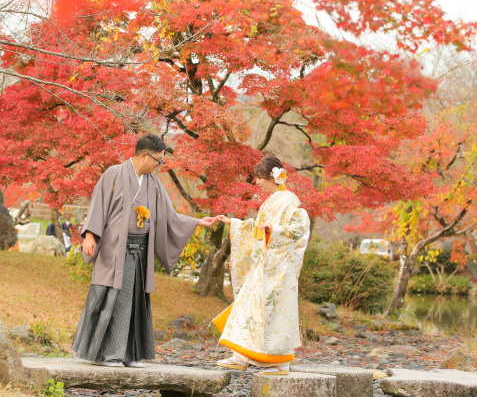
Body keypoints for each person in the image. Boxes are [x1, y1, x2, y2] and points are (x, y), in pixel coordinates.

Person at [72, 134, 217, 368]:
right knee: (112, 299)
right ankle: (107, 354)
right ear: (143, 155)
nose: (160, 165)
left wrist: (199, 222)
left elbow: (168, 216)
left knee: (136, 303)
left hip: (140, 252)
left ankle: (129, 354)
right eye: (158, 160)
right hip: (114, 249)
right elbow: (97, 205)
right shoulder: (114, 174)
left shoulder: (154, 184)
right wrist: (90, 236)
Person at [212, 156, 310, 376]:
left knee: (271, 312)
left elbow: (298, 228)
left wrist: (273, 230)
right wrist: (234, 223)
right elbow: (258, 227)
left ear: (272, 177)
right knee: (250, 308)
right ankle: (245, 356)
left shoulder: (288, 201)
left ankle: (277, 363)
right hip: (266, 264)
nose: (257, 182)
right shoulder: (273, 199)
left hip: (278, 267)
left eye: (259, 177)